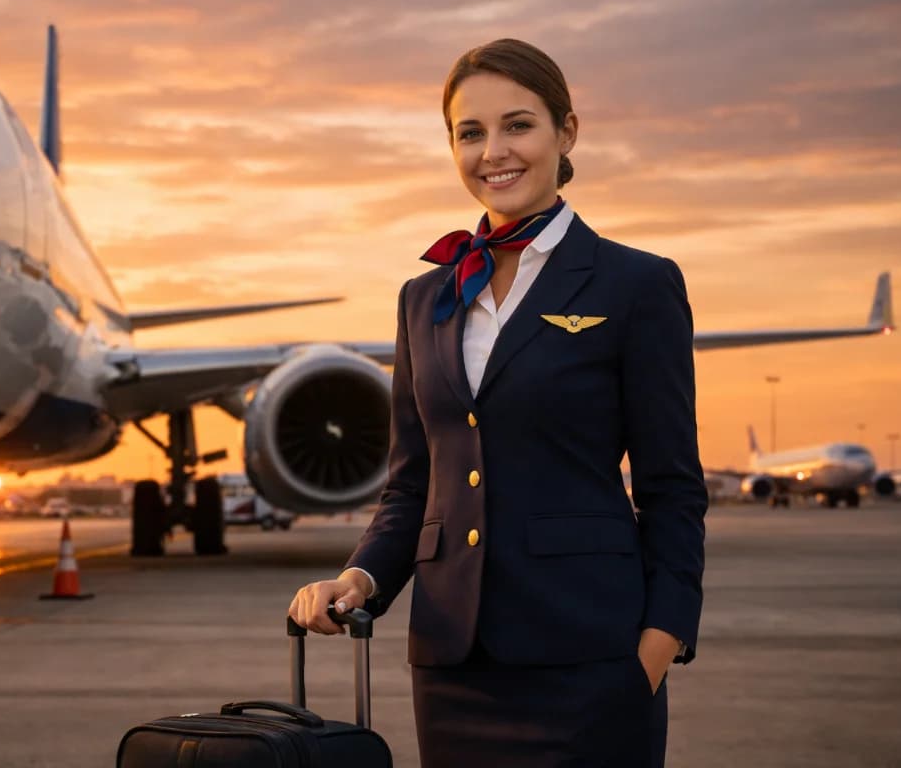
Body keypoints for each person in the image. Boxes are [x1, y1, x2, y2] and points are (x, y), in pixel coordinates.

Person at [288, 38, 707, 768]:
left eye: (518, 125)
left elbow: (672, 486)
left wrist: (658, 643)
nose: (494, 152)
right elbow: (414, 483)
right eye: (470, 132)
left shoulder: (635, 285)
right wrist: (360, 577)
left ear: (565, 133)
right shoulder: (426, 297)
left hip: (591, 659)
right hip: (454, 665)